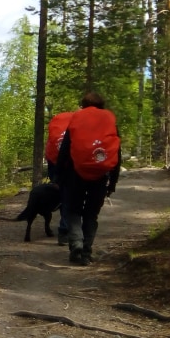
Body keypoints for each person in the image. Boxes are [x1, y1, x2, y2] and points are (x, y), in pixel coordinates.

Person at [54, 92, 121, 266]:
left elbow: (65, 150)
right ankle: (86, 253)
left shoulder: (77, 117)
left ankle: (76, 243)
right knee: (91, 214)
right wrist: (113, 181)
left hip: (75, 173)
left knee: (74, 210)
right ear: (102, 104)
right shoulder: (109, 118)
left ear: (83, 104)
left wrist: (58, 175)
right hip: (100, 175)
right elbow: (116, 152)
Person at [45, 110, 75, 245]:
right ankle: (65, 230)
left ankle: (65, 226)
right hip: (72, 165)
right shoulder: (78, 123)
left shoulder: (57, 123)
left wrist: (54, 175)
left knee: (63, 195)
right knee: (71, 196)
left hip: (55, 162)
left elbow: (49, 149)